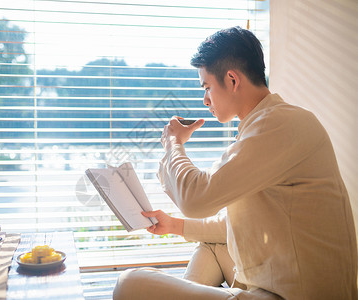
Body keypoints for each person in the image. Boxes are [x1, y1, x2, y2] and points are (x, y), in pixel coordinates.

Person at [113, 27, 357, 299]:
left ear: (231, 79)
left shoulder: (279, 125)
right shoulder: (266, 126)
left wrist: (174, 143)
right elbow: (236, 223)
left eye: (207, 87)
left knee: (128, 283)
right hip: (279, 280)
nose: (205, 100)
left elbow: (196, 199)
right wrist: (173, 225)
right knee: (212, 248)